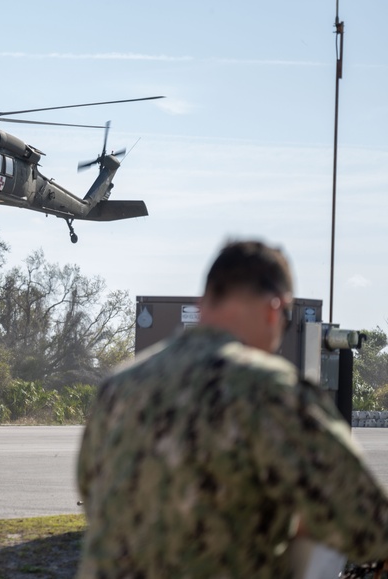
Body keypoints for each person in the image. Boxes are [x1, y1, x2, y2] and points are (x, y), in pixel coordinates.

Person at [76, 239, 388, 578]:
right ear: (274, 309)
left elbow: (92, 492)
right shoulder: (269, 389)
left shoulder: (118, 387)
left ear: (205, 300)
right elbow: (369, 523)